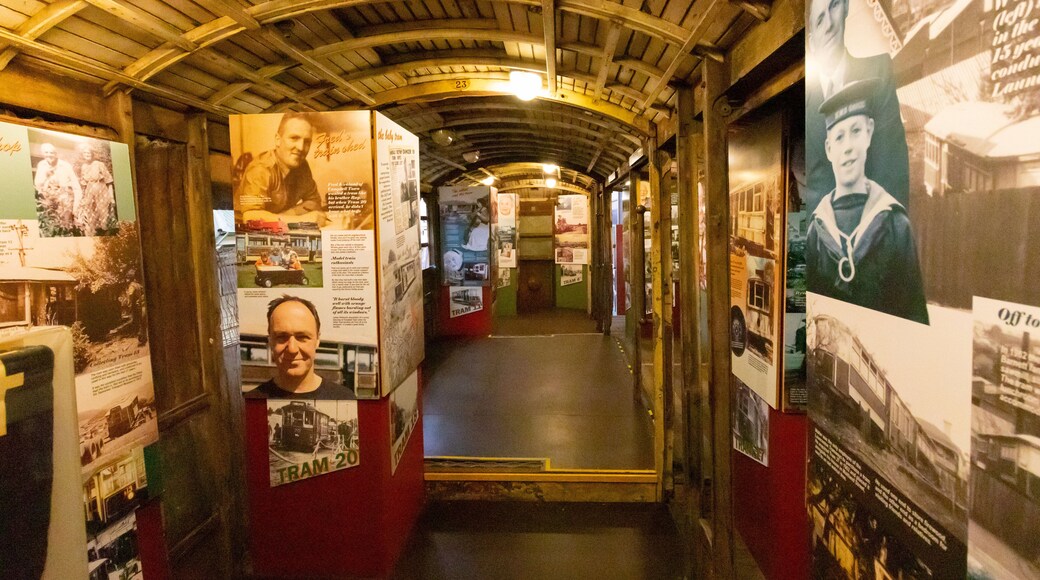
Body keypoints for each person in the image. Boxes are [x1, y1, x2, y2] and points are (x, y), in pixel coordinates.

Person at [805, 79, 929, 324]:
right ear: (829, 149)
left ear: (869, 132)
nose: (848, 146)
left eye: (856, 131)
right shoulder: (817, 231)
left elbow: (913, 312)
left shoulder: (895, 224)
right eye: (839, 137)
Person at [805, 0, 909, 214]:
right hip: (823, 241)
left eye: (833, 7)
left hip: (877, 234)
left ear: (846, 7)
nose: (829, 25)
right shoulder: (802, 103)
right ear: (811, 42)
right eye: (819, 19)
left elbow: (892, 168)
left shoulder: (878, 72)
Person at [245, 296, 356, 399]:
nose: (292, 349)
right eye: (282, 337)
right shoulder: (251, 403)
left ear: (317, 340)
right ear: (270, 342)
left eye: (302, 337)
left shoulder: (345, 399)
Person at [235, 113, 327, 227]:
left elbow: (314, 202)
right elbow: (250, 217)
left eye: (307, 142)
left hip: (277, 229)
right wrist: (300, 220)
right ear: (278, 140)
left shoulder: (302, 166)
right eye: (294, 138)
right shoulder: (260, 169)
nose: (301, 147)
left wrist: (286, 216)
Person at [34, 143, 82, 231]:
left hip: (65, 200)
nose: (49, 155)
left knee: (65, 226)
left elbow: (76, 185)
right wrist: (46, 175)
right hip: (48, 200)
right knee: (51, 226)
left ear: (56, 154)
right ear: (43, 154)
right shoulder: (41, 165)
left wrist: (76, 206)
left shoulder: (65, 165)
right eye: (46, 152)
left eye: (52, 152)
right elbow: (37, 184)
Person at [76, 143, 115, 235]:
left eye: (89, 153)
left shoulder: (99, 164)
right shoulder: (83, 167)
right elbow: (84, 184)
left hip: (102, 192)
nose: (87, 154)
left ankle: (107, 237)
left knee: (104, 215)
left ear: (92, 154)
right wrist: (83, 198)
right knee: (91, 217)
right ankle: (94, 236)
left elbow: (109, 181)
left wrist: (111, 197)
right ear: (83, 155)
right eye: (85, 153)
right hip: (89, 194)